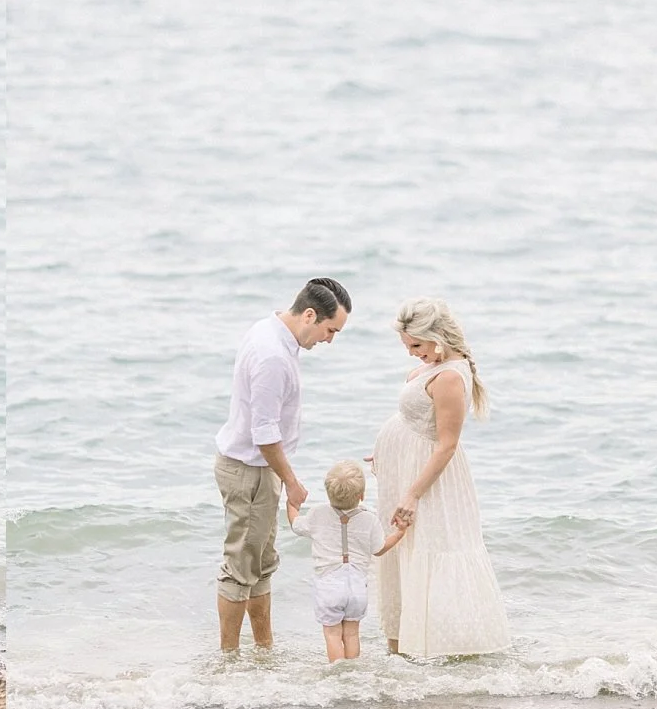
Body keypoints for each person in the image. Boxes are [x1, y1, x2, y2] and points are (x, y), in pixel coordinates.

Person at [212, 277, 351, 652]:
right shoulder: (272, 355)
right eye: (330, 330)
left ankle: (264, 648)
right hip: (250, 470)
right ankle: (229, 659)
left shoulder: (270, 330)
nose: (329, 340)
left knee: (260, 564)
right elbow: (264, 433)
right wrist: (290, 481)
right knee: (240, 568)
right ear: (310, 315)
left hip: (260, 468)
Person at [372, 297, 509, 657]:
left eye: (416, 345)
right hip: (406, 469)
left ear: (436, 338)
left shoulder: (449, 377)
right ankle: (400, 650)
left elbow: (447, 445)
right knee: (403, 551)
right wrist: (389, 452)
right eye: (407, 346)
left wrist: (413, 494)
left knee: (430, 549)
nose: (411, 353)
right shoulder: (434, 365)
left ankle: (437, 648)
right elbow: (416, 422)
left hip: (428, 482)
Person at [286, 459, 406, 662]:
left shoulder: (317, 514)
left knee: (332, 635)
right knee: (351, 634)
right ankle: (352, 670)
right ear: (362, 495)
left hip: (329, 587)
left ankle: (338, 672)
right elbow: (379, 549)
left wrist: (292, 505)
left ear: (328, 493)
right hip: (357, 587)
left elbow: (296, 525)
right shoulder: (370, 519)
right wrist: (400, 533)